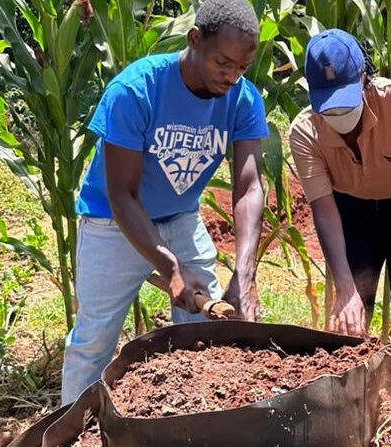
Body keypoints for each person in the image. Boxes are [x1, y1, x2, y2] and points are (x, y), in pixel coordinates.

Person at [61, 0, 269, 405]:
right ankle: (66, 441)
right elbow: (121, 194)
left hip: (181, 217)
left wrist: (245, 272)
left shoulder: (243, 99)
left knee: (202, 333)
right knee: (93, 343)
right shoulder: (135, 91)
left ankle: (190, 424)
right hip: (112, 223)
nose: (231, 77)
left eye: (242, 67)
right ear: (194, 40)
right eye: (222, 63)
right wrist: (170, 268)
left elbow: (248, 187)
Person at [289, 29, 391, 350]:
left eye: (345, 102)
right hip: (351, 213)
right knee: (350, 322)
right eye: (328, 106)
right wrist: (345, 287)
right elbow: (324, 209)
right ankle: (354, 389)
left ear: (365, 80)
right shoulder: (305, 132)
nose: (339, 116)